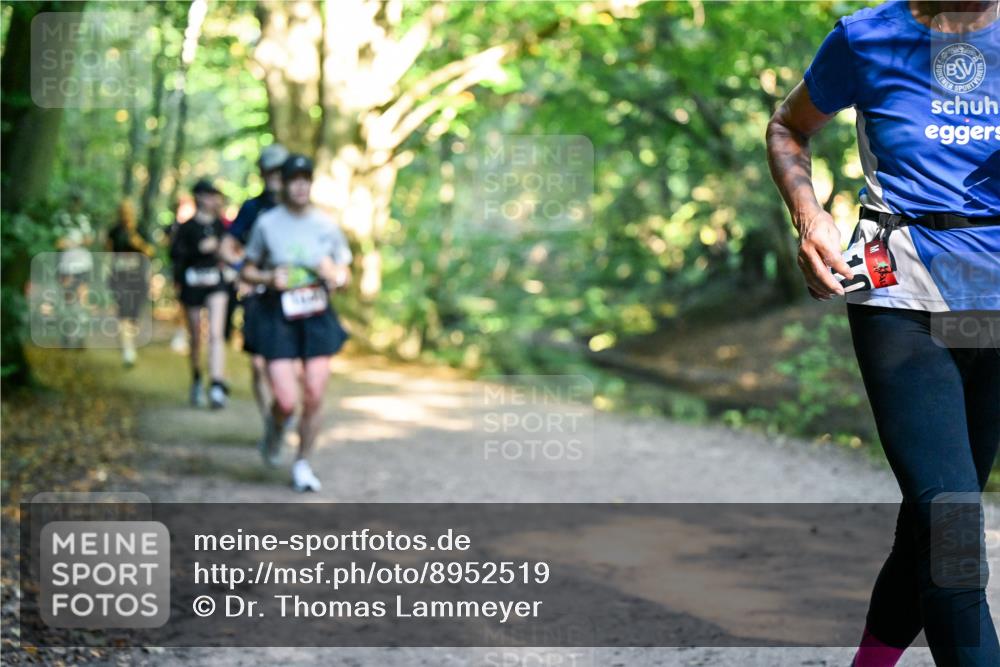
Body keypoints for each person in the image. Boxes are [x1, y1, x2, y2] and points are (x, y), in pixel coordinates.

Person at [766, 2, 1000, 666]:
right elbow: (787, 125)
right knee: (951, 526)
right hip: (899, 286)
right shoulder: (866, 37)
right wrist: (809, 218)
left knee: (931, 521)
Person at [241, 154, 352, 492]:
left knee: (315, 392)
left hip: (317, 316)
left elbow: (344, 274)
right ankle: (276, 429)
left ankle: (303, 463)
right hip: (278, 317)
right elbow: (246, 269)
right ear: (283, 184)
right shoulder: (267, 223)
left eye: (306, 179)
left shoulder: (326, 225)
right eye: (294, 179)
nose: (301, 185)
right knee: (287, 400)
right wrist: (268, 276)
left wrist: (333, 273)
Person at [219, 143, 290, 460]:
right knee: (260, 365)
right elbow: (227, 246)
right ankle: (271, 426)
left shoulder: (300, 208)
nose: (274, 176)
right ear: (262, 173)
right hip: (259, 296)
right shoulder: (252, 209)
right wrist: (243, 274)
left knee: (291, 369)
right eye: (269, 169)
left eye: (279, 169)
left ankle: (283, 414)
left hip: (293, 299)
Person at [170, 179, 232, 409]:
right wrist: (199, 250)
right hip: (192, 285)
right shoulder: (186, 228)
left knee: (216, 333)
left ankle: (216, 384)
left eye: (214, 195)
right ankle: (197, 377)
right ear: (198, 197)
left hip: (216, 283)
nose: (212, 199)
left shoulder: (221, 226)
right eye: (208, 194)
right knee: (196, 335)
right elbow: (176, 256)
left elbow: (233, 249)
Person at [106, 199, 155, 368]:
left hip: (138, 279)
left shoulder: (141, 229)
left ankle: (128, 342)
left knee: (133, 316)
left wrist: (137, 242)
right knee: (124, 312)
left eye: (129, 211)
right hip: (119, 278)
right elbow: (108, 252)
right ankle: (128, 350)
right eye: (123, 211)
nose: (126, 214)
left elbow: (150, 252)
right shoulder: (114, 231)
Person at [53, 191, 95, 348]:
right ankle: (67, 334)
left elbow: (90, 239)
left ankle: (80, 336)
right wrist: (74, 242)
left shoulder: (84, 220)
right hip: (66, 266)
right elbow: (58, 242)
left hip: (83, 265)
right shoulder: (62, 219)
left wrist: (74, 242)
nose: (76, 205)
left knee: (82, 300)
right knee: (68, 300)